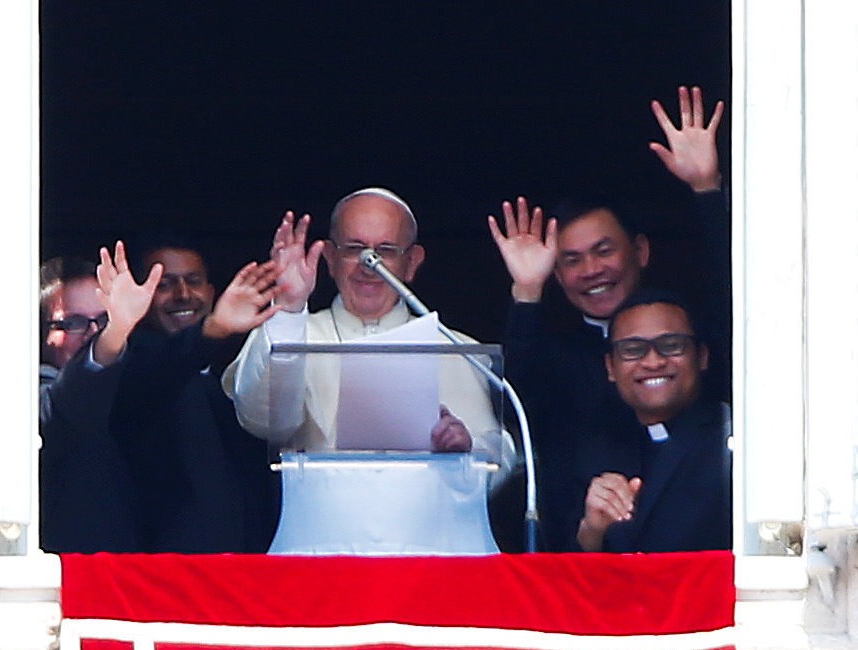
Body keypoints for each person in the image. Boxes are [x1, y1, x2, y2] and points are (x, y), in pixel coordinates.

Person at [488, 85, 729, 551]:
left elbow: (739, 296)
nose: (592, 271)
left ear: (639, 251)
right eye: (571, 260)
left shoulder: (693, 330)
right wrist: (527, 292)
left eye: (604, 251)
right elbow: (520, 401)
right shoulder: (558, 358)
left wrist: (706, 189)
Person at [223, 187, 507, 462]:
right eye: (354, 249)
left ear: (411, 262)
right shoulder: (295, 332)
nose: (369, 264)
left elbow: (499, 454)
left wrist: (467, 447)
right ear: (331, 260)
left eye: (386, 250)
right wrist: (288, 308)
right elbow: (260, 419)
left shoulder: (455, 348)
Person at [94, 240, 283, 553]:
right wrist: (212, 330)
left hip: (250, 569)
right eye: (164, 284)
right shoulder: (127, 368)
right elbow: (160, 374)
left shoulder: (239, 366)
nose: (182, 294)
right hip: (165, 573)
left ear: (211, 292)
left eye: (193, 281)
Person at [574, 292, 730, 553]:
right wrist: (592, 530)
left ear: (702, 356)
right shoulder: (596, 454)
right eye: (632, 350)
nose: (653, 361)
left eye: (671, 345)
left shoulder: (733, 440)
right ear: (611, 367)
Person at [37, 256, 140, 553]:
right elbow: (68, 407)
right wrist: (113, 335)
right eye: (73, 322)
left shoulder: (136, 382)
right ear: (42, 335)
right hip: (68, 585)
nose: (94, 332)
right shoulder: (34, 398)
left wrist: (215, 328)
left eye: (105, 320)